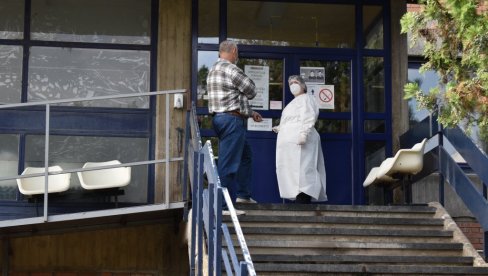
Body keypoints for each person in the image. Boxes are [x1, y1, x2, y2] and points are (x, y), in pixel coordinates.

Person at [207, 40, 263, 209]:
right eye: (236, 53)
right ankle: (221, 206)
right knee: (228, 164)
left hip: (221, 119)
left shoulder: (212, 70)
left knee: (246, 156)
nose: (237, 56)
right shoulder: (231, 68)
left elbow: (231, 97)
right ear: (232, 51)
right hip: (232, 121)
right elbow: (252, 90)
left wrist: (250, 113)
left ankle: (243, 195)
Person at [273, 75, 327, 203]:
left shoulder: (307, 99)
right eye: (290, 83)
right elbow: (289, 119)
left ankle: (304, 198)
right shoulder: (290, 104)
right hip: (289, 142)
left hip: (302, 140)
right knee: (291, 170)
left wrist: (303, 133)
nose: (293, 85)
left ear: (303, 85)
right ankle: (299, 197)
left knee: (304, 168)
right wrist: (281, 128)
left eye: (295, 82)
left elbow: (308, 116)